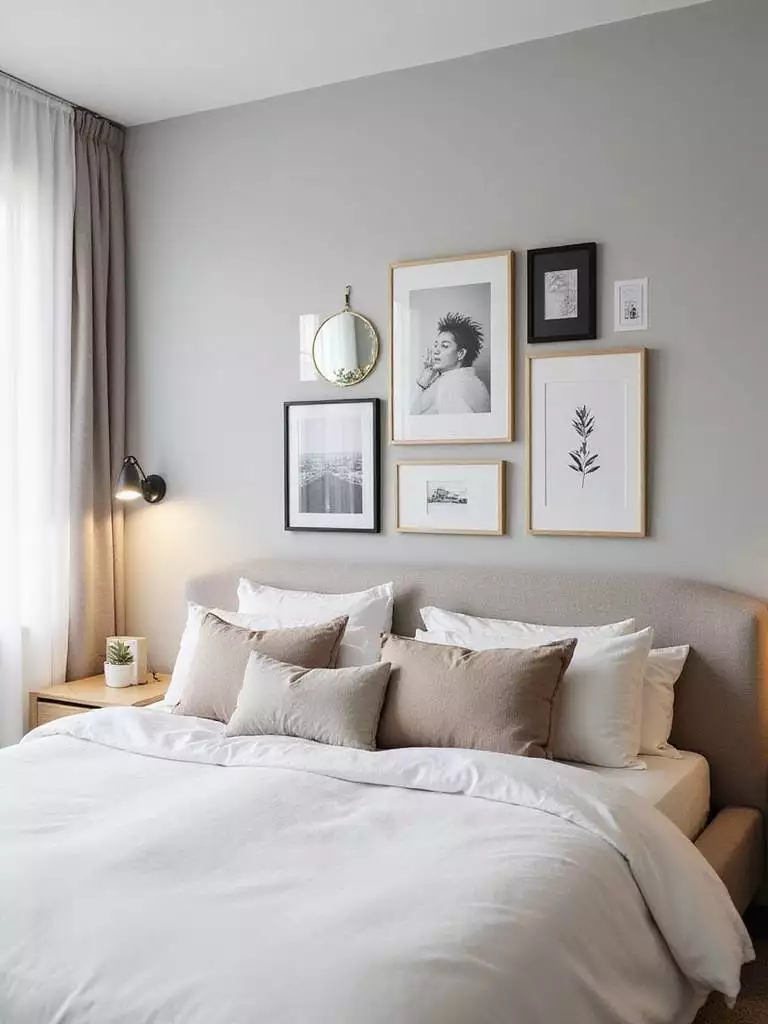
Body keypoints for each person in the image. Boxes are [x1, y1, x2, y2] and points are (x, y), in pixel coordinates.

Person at [411, 312, 490, 415]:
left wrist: (421, 385)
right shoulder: (476, 383)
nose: (435, 351)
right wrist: (423, 383)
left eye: (444, 346)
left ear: (460, 353)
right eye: (436, 345)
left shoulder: (450, 387)